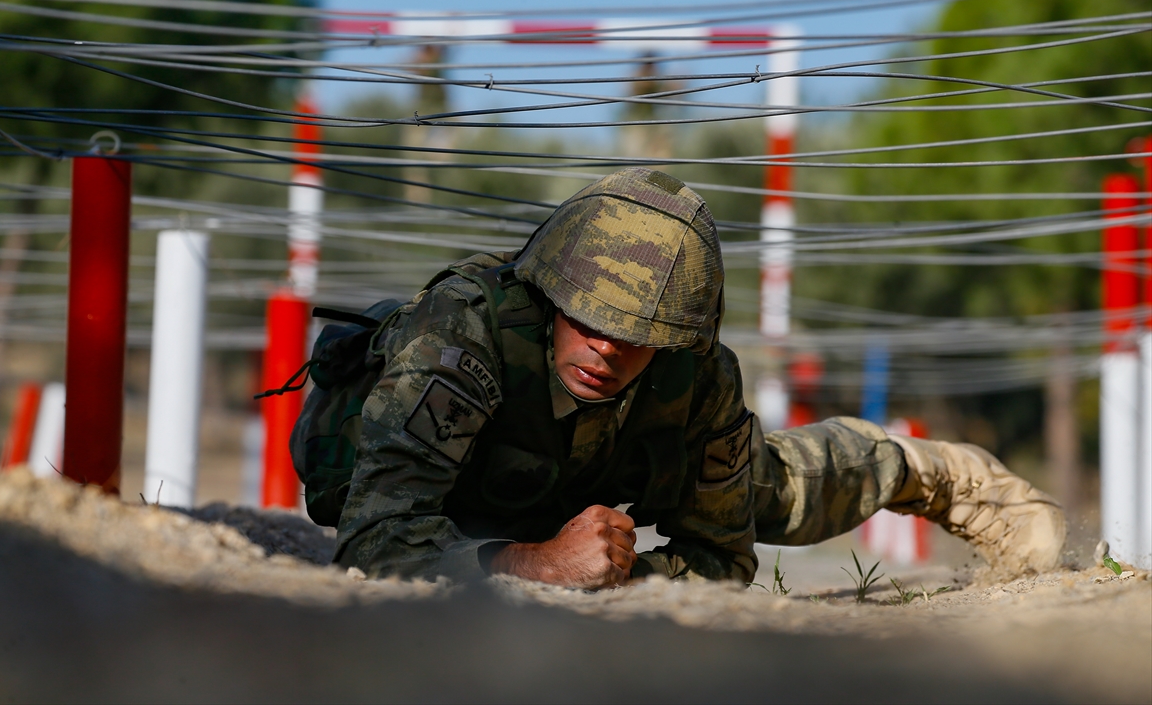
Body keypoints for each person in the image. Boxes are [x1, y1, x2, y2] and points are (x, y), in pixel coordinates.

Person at [292, 168, 1065, 589]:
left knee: (773, 490)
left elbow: (722, 561)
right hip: (462, 493)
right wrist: (540, 564)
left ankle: (931, 472)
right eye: (589, 319)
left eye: (640, 337)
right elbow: (376, 542)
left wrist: (619, 573)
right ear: (548, 295)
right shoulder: (463, 335)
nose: (607, 350)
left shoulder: (700, 377)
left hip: (597, 475)